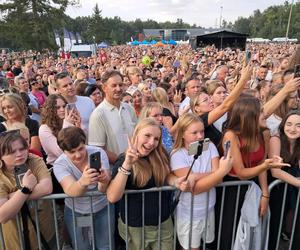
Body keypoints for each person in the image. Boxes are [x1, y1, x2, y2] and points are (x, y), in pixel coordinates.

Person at [217, 95, 290, 250]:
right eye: (261, 112)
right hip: (232, 189)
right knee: (230, 233)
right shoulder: (231, 135)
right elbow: (241, 172)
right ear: (249, 116)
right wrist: (265, 166)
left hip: (254, 186)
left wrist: (265, 194)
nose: (265, 114)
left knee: (252, 232)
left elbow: (260, 164)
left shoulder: (263, 132)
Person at [107, 118, 191, 250]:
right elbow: (112, 196)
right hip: (136, 227)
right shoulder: (123, 159)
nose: (152, 142)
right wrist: (127, 164)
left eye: (156, 139)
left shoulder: (160, 155)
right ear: (137, 134)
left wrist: (175, 181)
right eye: (147, 136)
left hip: (163, 222)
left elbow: (165, 175)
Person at [170, 113, 233, 250]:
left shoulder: (209, 146)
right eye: (194, 133)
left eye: (202, 131)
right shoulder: (177, 155)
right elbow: (195, 189)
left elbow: (219, 177)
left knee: (206, 243)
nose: (200, 136)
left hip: (209, 207)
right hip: (188, 213)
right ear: (182, 134)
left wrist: (196, 176)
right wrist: (218, 173)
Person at [53, 127, 113, 250]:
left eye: (81, 148)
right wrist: (83, 182)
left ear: (85, 143)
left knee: (105, 246)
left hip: (103, 207)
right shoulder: (60, 164)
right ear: (63, 151)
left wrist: (104, 180)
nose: (78, 154)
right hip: (77, 212)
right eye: (72, 152)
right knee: (82, 246)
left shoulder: (98, 153)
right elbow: (70, 190)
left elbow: (103, 189)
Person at [0, 130, 54, 250]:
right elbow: (2, 215)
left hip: (43, 233)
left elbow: (46, 187)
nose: (19, 154)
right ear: (1, 156)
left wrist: (12, 197)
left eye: (22, 149)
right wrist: (25, 189)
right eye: (12, 152)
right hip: (15, 240)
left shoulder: (34, 159)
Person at [88, 70, 137, 164]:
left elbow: (136, 135)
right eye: (114, 85)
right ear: (104, 88)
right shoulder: (98, 114)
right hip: (116, 170)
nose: (118, 89)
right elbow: (97, 149)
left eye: (120, 85)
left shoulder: (129, 108)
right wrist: (123, 161)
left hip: (136, 165)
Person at [268, 110, 300, 250]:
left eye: (298, 125)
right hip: (276, 191)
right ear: (283, 125)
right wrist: (298, 182)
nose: (292, 129)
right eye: (289, 124)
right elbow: (275, 172)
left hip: (292, 190)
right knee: (274, 225)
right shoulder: (276, 139)